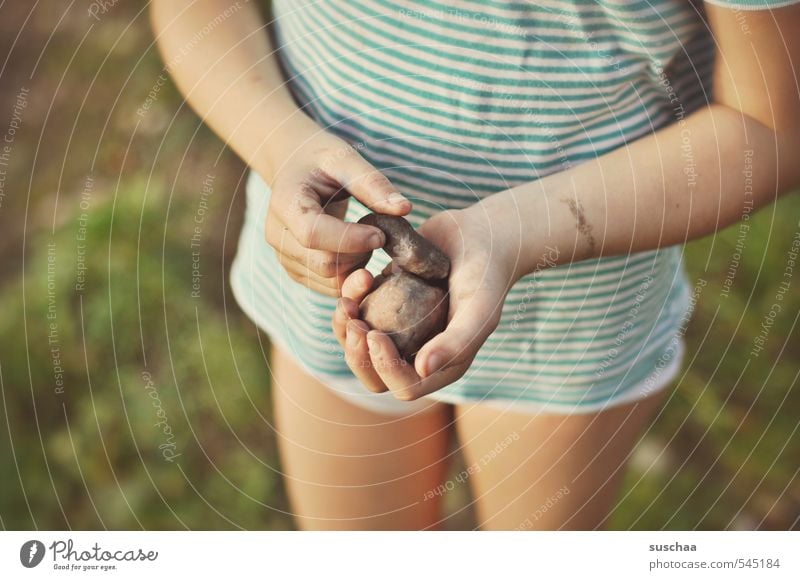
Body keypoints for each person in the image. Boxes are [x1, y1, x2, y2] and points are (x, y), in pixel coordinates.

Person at [151, 0, 800, 530]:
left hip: (572, 325)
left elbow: (772, 127)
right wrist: (277, 142)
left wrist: (513, 234)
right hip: (334, 301)